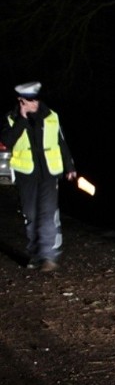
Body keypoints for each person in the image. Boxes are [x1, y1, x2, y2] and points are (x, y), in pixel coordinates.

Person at [0, 81, 77, 272]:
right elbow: (7, 141)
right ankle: (36, 254)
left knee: (48, 213)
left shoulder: (51, 116)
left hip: (49, 172)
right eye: (29, 100)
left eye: (35, 99)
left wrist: (70, 167)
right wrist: (22, 120)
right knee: (31, 214)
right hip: (26, 174)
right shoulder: (12, 118)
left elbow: (61, 142)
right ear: (21, 100)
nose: (33, 103)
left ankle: (49, 256)